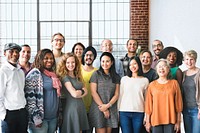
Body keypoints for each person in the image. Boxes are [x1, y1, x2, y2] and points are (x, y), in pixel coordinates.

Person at [25, 49, 61, 133]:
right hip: (40, 119)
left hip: (53, 118)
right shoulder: (34, 74)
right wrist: (36, 118)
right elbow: (30, 99)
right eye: (46, 58)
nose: (49, 60)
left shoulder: (53, 74)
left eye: (51, 58)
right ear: (40, 59)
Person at [145, 59, 183, 133]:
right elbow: (148, 105)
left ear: (168, 69)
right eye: (159, 67)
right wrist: (147, 121)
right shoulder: (152, 85)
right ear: (156, 70)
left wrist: (178, 122)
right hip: (155, 120)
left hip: (171, 120)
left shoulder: (174, 83)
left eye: (164, 66)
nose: (161, 68)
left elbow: (179, 104)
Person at [56, 52, 89, 133]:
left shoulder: (78, 76)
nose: (71, 64)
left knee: (80, 130)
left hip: (80, 107)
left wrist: (80, 92)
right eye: (68, 62)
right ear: (64, 63)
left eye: (73, 62)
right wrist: (82, 91)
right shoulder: (65, 77)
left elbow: (86, 91)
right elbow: (74, 94)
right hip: (71, 108)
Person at [89, 52, 120, 133]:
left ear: (112, 62)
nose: (105, 64)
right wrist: (103, 108)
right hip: (98, 108)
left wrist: (107, 106)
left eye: (107, 61)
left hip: (111, 108)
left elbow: (116, 94)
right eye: (103, 61)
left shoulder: (116, 77)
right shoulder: (96, 74)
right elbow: (93, 92)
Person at [0, 43, 28, 133]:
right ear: (4, 53)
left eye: (17, 52)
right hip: (9, 114)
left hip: (22, 113)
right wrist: (3, 115)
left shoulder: (20, 71)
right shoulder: (3, 71)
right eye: (11, 51)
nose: (15, 54)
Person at [118, 56, 149, 133]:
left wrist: (146, 115)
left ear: (139, 64)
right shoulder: (124, 79)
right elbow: (120, 96)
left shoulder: (145, 80)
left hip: (139, 112)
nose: (133, 66)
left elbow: (147, 99)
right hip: (124, 112)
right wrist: (118, 112)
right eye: (130, 65)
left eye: (135, 64)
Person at [182, 50, 200, 133]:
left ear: (195, 60)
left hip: (197, 110)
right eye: (187, 59)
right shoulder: (183, 74)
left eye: (191, 59)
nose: (189, 62)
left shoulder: (199, 73)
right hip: (186, 109)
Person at [81, 46, 98, 133]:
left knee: (89, 131)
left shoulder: (97, 71)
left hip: (92, 107)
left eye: (91, 55)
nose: (88, 57)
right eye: (87, 55)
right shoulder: (78, 70)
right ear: (83, 56)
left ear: (94, 57)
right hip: (80, 107)